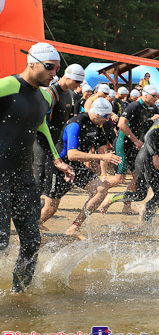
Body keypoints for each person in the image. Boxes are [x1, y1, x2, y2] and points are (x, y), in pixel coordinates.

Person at [0, 42, 74, 294]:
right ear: (31, 62)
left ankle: (18, 293)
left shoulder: (44, 97)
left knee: (32, 241)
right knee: (0, 242)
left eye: (57, 68)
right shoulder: (7, 86)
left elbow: (40, 127)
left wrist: (56, 159)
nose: (54, 73)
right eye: (49, 67)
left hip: (23, 177)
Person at [39, 98, 121, 239]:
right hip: (59, 166)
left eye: (109, 116)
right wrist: (102, 158)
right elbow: (72, 154)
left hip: (75, 166)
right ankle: (30, 229)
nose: (107, 120)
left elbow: (102, 149)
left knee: (100, 190)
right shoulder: (76, 124)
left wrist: (106, 163)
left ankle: (74, 227)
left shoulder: (98, 124)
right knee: (50, 209)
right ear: (95, 114)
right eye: (105, 116)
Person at [99, 99, 159, 222]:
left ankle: (145, 218)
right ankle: (111, 199)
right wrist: (155, 156)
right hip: (145, 159)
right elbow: (148, 136)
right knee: (141, 194)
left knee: (158, 194)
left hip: (155, 159)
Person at [102, 85, 159, 214]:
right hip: (123, 143)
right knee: (119, 178)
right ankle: (97, 193)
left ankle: (126, 206)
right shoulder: (134, 105)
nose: (157, 98)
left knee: (136, 178)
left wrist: (152, 120)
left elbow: (141, 123)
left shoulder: (150, 108)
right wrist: (135, 140)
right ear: (145, 95)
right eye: (154, 96)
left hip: (135, 144)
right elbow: (121, 124)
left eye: (158, 96)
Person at [34, 63, 85, 193]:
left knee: (50, 175)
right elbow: (44, 122)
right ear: (68, 76)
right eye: (77, 81)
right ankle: (31, 207)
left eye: (81, 83)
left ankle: (42, 206)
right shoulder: (51, 93)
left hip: (57, 139)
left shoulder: (69, 93)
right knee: (40, 173)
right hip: (44, 138)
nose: (79, 85)